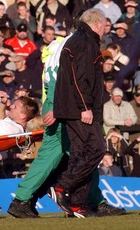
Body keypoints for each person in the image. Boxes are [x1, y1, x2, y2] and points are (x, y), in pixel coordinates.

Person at [8, 13, 125, 218]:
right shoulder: (73, 43)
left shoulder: (58, 45)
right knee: (74, 153)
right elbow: (60, 76)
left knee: (78, 155)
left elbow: (51, 74)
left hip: (57, 103)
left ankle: (84, 200)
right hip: (63, 105)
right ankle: (25, 199)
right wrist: (54, 104)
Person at [49, 8, 111, 217]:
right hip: (79, 109)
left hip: (70, 107)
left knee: (79, 153)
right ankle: (61, 187)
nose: (105, 29)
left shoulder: (78, 39)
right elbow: (80, 77)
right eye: (104, 25)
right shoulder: (86, 42)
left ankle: (76, 205)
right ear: (97, 24)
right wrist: (85, 106)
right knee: (96, 149)